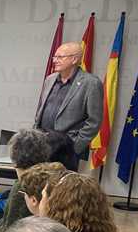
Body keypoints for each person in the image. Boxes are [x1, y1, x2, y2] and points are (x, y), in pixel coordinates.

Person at [34, 42, 103, 171]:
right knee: (38, 186)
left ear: (74, 59)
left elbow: (94, 121)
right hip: (42, 145)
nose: (55, 61)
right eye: (55, 57)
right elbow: (40, 110)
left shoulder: (91, 83)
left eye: (60, 57)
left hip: (66, 149)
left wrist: (75, 147)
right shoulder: (50, 79)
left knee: (61, 189)